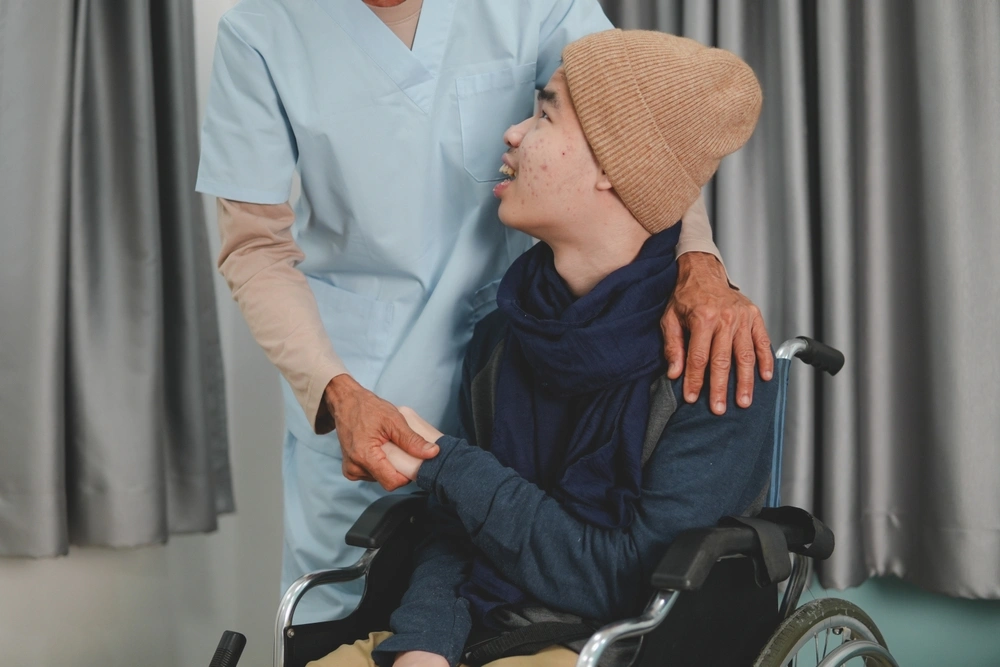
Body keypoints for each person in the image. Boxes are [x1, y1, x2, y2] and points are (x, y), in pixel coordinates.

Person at [197, 0, 773, 620]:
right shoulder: (261, 31)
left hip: (531, 366)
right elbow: (254, 245)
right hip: (370, 396)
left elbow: (643, 124)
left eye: (539, 117)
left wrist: (700, 258)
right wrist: (338, 391)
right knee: (344, 614)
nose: (516, 134)